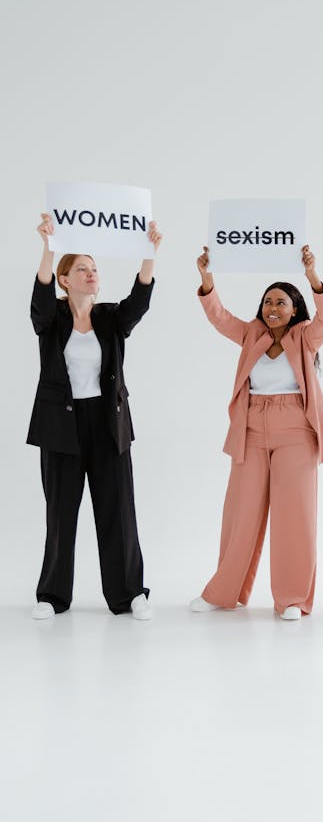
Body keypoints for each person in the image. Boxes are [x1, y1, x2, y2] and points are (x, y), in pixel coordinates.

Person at [190, 244, 323, 619]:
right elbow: (220, 318)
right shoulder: (252, 333)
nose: (272, 308)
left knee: (294, 516)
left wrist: (312, 276)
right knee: (240, 512)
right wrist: (207, 280)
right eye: (268, 301)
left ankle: (292, 598)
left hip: (295, 431)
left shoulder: (305, 335)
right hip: (252, 429)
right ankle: (224, 592)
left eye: (281, 302)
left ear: (294, 308)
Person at [28, 213, 161, 620]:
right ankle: (52, 596)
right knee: (60, 511)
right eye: (82, 269)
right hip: (61, 427)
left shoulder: (109, 318)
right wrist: (49, 247)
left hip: (108, 424)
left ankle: (129, 594)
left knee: (118, 509)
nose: (91, 274)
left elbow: (138, 304)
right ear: (65, 279)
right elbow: (40, 298)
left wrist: (149, 254)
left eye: (95, 269)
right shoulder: (51, 318)